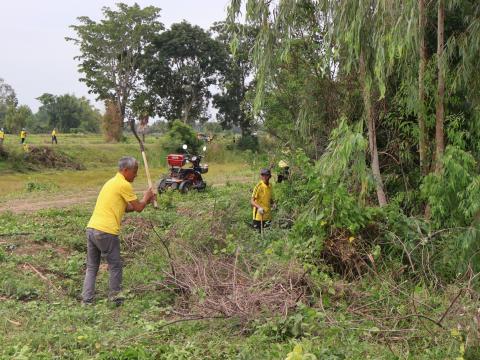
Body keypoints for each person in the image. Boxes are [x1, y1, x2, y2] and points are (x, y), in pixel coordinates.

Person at [81, 156, 156, 305]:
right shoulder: (124, 185)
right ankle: (115, 299)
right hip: (106, 231)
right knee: (115, 266)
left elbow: (128, 208)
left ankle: (86, 300)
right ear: (126, 170)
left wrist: (144, 201)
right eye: (134, 171)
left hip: (91, 229)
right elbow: (139, 208)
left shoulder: (111, 182)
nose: (136, 175)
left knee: (91, 267)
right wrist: (146, 198)